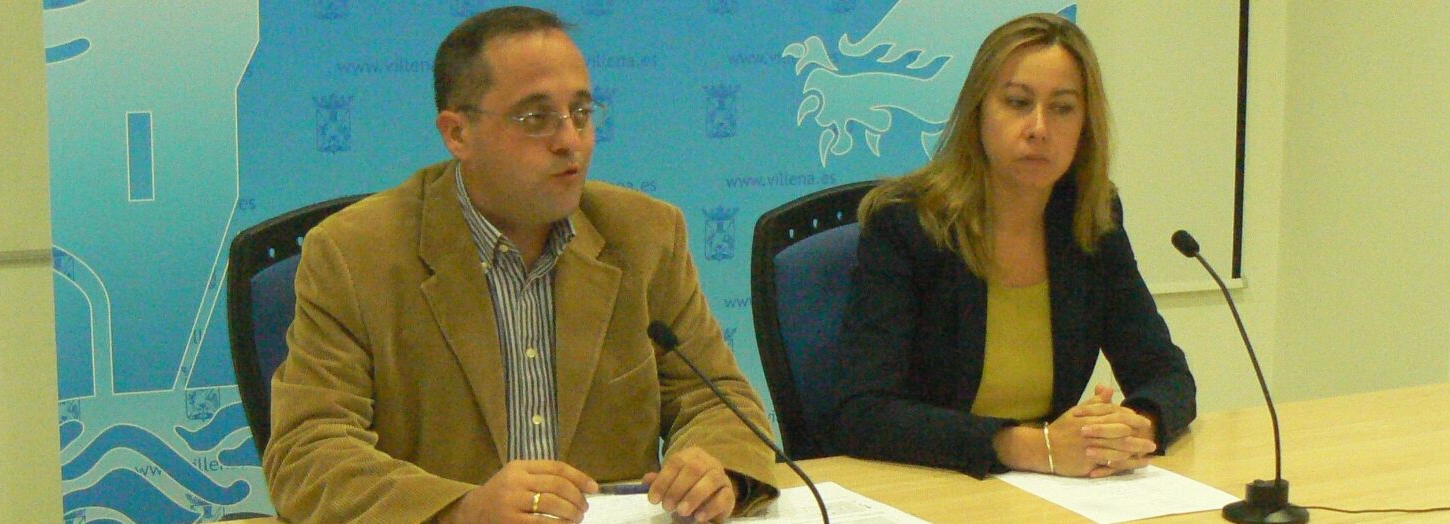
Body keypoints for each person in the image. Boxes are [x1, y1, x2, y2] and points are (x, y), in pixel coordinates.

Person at [261, 7, 777, 523]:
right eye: (536, 119)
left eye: (581, 113)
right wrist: (461, 510)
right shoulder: (354, 254)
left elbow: (717, 399)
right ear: (457, 133)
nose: (570, 141)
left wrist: (717, 469)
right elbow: (308, 453)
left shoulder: (646, 235)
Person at [831, 12, 1197, 480]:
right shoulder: (908, 224)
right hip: (932, 482)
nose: (1039, 128)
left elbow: (1166, 374)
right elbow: (861, 412)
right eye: (1018, 102)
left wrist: (1132, 428)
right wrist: (1033, 447)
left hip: (1051, 491)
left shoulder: (1090, 219)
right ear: (978, 112)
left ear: (1085, 125)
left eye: (1062, 108)